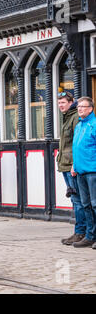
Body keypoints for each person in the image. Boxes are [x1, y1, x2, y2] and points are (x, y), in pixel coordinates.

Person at [56, 91, 86, 245]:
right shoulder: (67, 117)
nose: (60, 105)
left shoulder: (74, 118)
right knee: (75, 200)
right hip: (65, 164)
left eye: (63, 102)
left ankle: (81, 232)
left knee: (78, 200)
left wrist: (75, 163)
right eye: (59, 102)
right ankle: (80, 231)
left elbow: (78, 143)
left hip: (71, 166)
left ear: (71, 102)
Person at [71, 97, 96, 248]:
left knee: (95, 205)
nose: (79, 109)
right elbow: (77, 147)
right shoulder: (79, 126)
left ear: (90, 109)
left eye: (83, 107)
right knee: (86, 204)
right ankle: (90, 236)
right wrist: (74, 165)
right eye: (78, 107)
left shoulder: (94, 125)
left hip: (93, 171)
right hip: (80, 171)